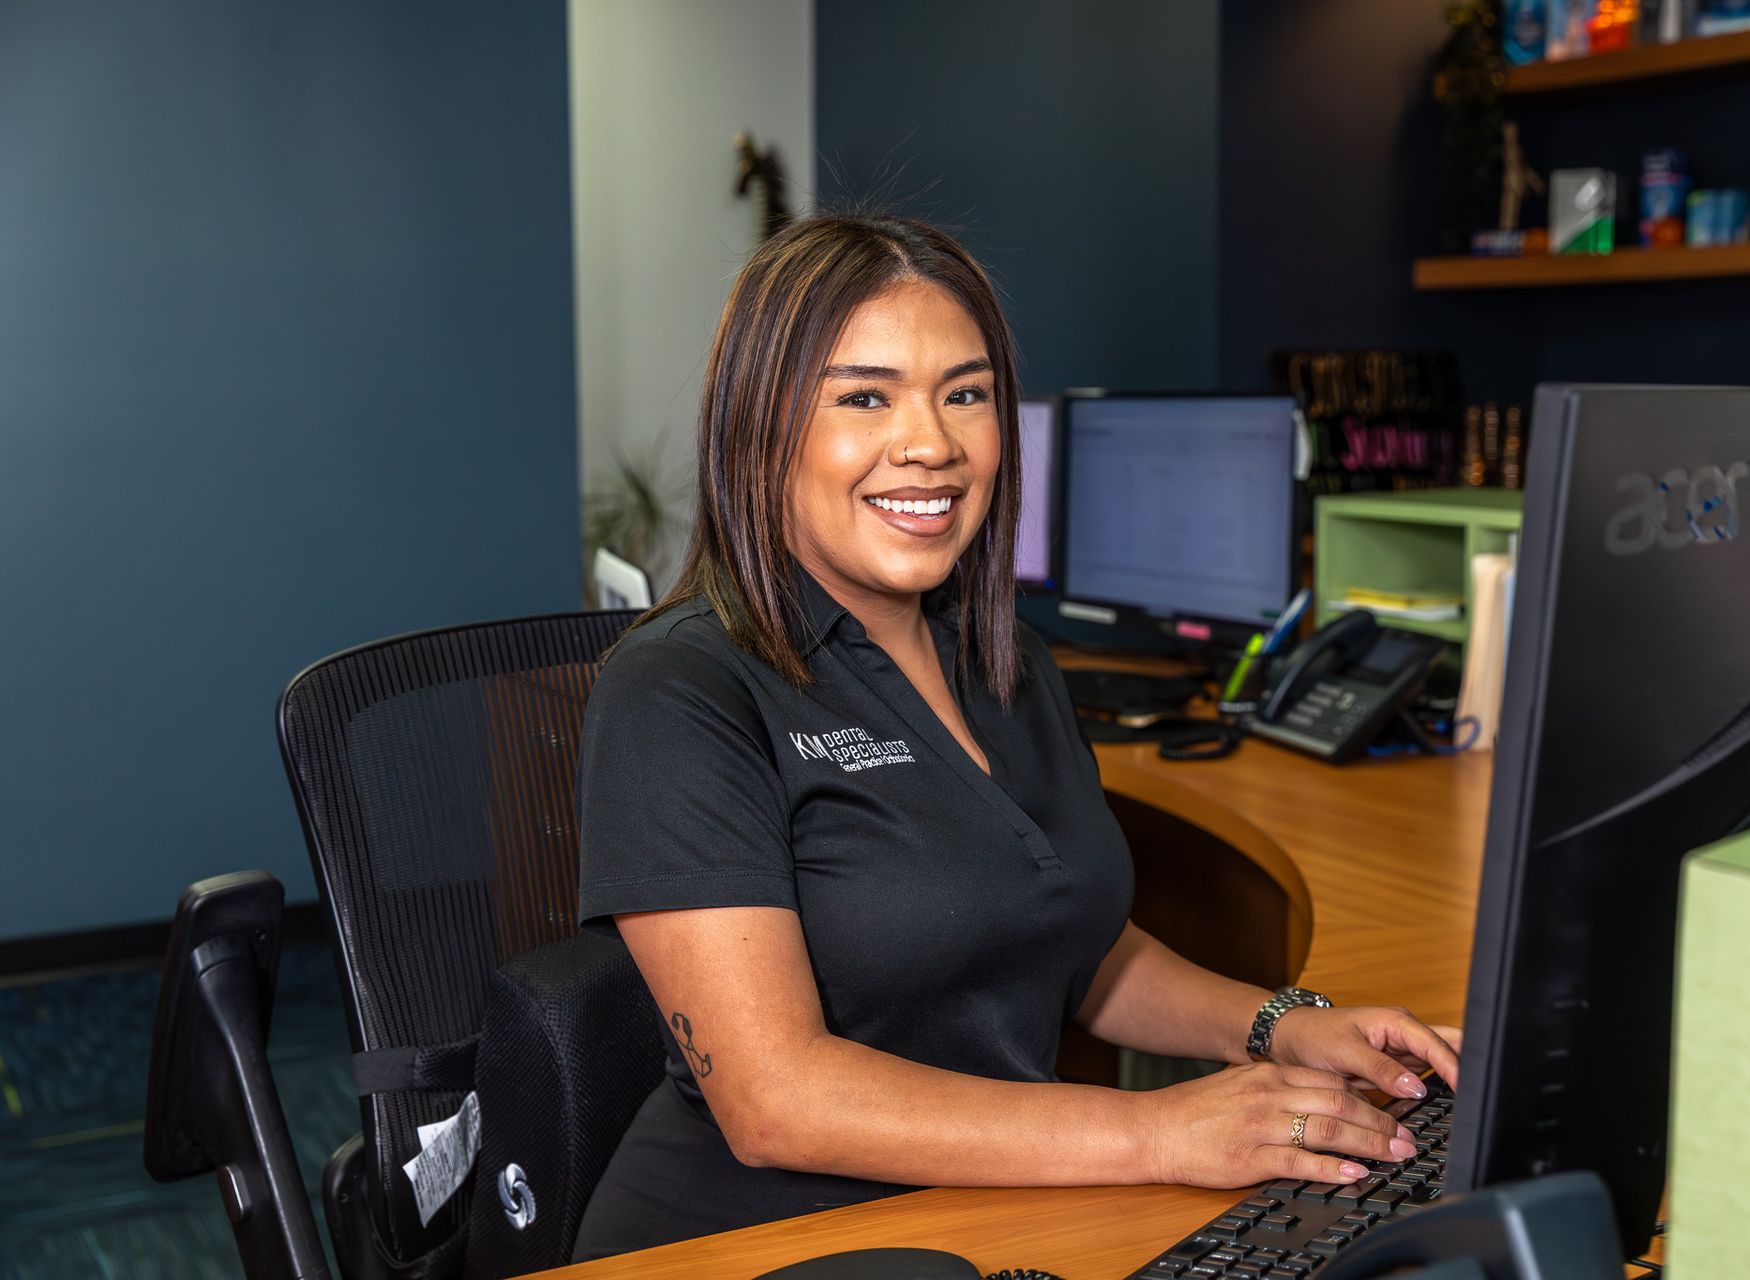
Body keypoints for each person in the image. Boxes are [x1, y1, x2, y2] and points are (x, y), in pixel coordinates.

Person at [571, 214, 1461, 1260]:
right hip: (752, 1240)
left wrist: (1282, 1022)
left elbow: (1072, 947)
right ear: (762, 428)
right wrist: (1162, 1126)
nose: (933, 443)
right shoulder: (681, 688)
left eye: (967, 393)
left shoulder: (1007, 659)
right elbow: (778, 1099)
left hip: (981, 1207)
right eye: (865, 395)